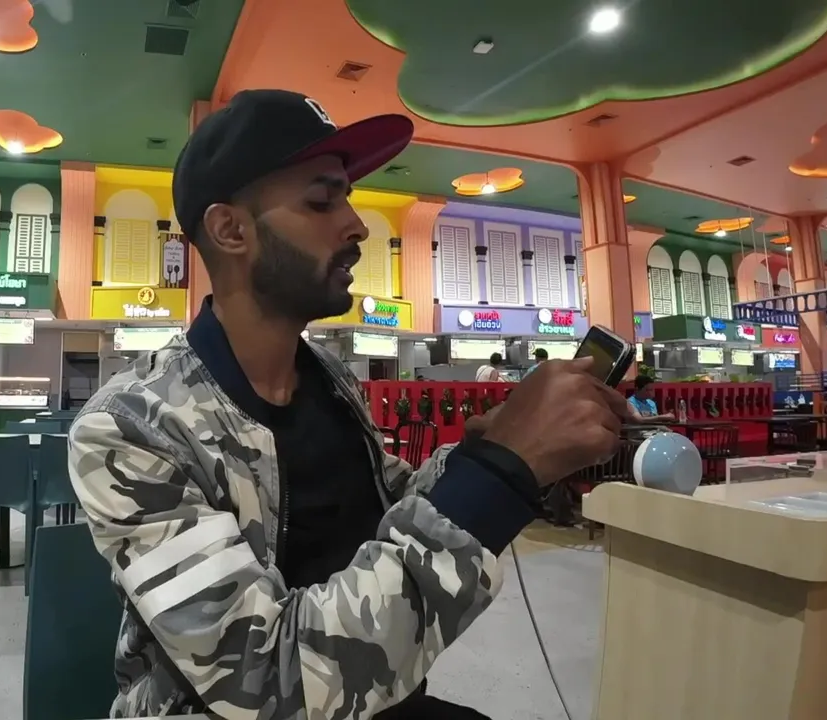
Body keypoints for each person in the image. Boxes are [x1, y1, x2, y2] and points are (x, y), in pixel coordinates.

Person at [67, 89, 630, 720]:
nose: (358, 226)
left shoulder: (331, 380)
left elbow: (393, 504)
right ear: (231, 230)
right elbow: (264, 680)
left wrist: (488, 450)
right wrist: (502, 471)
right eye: (321, 201)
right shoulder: (132, 427)